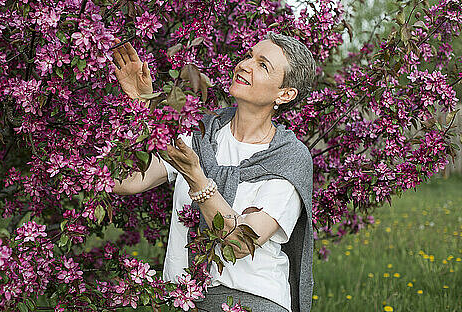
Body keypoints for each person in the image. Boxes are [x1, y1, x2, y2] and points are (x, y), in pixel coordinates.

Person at [111, 32, 317, 312]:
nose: (245, 65)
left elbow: (241, 242)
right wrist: (139, 106)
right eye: (248, 56)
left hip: (253, 301)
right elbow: (126, 181)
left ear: (285, 94)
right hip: (187, 299)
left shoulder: (288, 158)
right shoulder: (199, 133)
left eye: (262, 65)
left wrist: (197, 178)